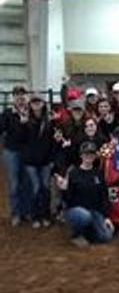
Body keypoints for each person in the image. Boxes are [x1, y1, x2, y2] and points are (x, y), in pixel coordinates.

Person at [55, 141, 114, 247]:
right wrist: (63, 189)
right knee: (84, 216)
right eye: (86, 154)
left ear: (95, 156)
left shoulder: (98, 173)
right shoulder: (73, 173)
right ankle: (76, 234)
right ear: (81, 155)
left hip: (95, 211)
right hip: (76, 211)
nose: (89, 157)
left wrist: (106, 217)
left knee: (106, 236)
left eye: (91, 154)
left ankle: (87, 232)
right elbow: (68, 199)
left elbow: (104, 196)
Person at [18, 93, 55, 228]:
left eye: (38, 102)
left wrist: (52, 159)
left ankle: (45, 215)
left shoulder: (49, 120)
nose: (36, 105)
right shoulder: (26, 119)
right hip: (31, 161)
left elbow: (52, 142)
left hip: (45, 160)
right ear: (30, 105)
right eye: (33, 102)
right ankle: (35, 216)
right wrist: (22, 124)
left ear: (43, 103)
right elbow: (20, 140)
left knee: (46, 188)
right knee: (36, 188)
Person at [0, 86, 30, 226]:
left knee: (26, 183)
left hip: (27, 152)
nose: (20, 98)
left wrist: (25, 122)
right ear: (13, 98)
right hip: (11, 151)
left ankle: (25, 212)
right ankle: (16, 213)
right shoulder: (7, 113)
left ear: (26, 97)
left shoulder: (31, 112)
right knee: (14, 184)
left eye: (22, 95)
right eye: (17, 95)